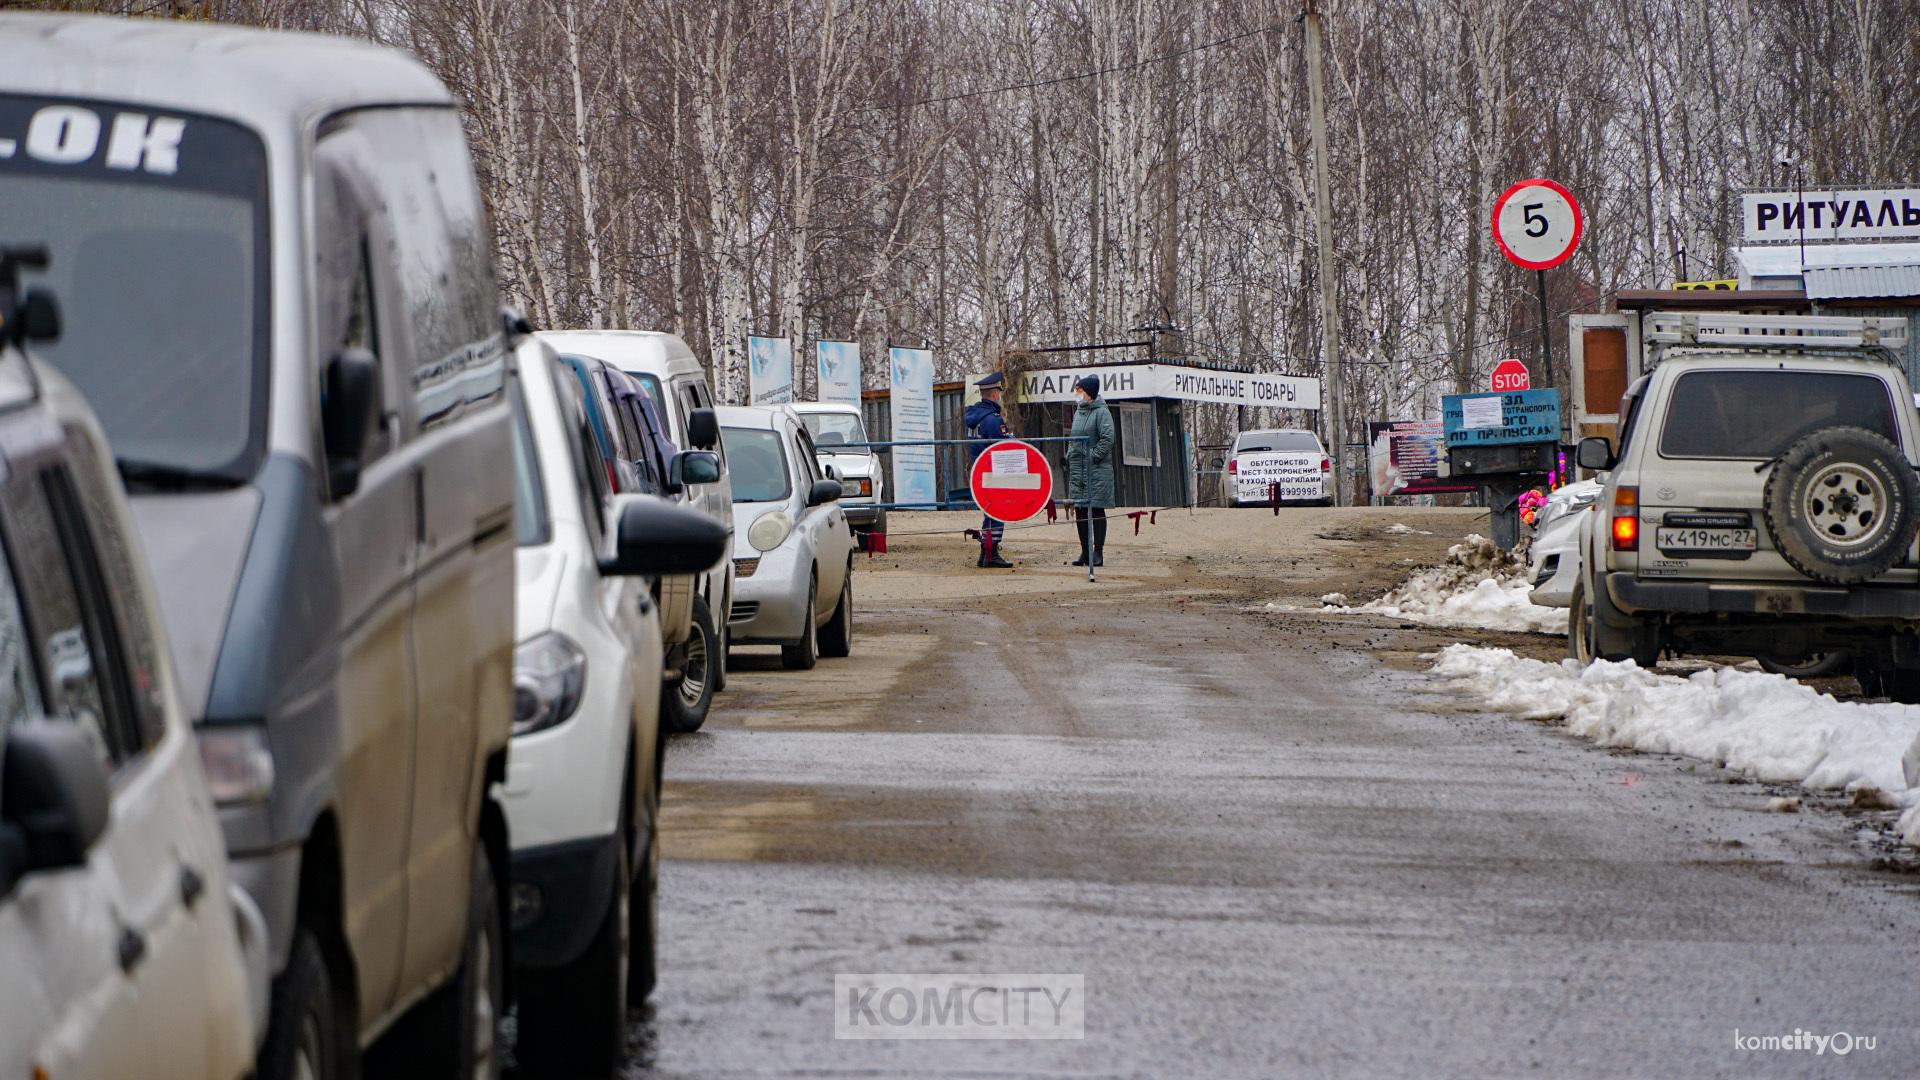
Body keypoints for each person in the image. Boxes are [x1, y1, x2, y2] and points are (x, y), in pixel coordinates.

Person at [963, 371, 1014, 568]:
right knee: (997, 511)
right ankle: (991, 552)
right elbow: (1001, 448)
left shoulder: (974, 417)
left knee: (989, 511)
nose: (999, 397)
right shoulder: (992, 419)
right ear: (994, 395)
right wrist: (1012, 439)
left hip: (978, 469)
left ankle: (985, 553)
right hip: (993, 470)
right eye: (998, 393)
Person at [1065, 374, 1116, 566]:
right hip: (1078, 469)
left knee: (1096, 509)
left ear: (1089, 393)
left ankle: (1098, 552)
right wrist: (1071, 455)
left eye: (1079, 390)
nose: (1077, 394)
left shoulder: (1102, 412)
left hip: (1096, 470)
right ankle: (1085, 552)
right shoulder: (1079, 412)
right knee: (1080, 510)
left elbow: (1107, 439)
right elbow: (1073, 437)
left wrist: (1093, 456)